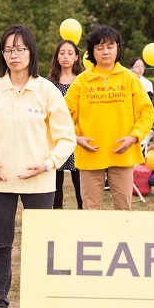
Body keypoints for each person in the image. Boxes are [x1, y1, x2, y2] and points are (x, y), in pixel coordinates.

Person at [0, 24, 77, 308]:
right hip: (0, 181)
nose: (15, 54)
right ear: (3, 54)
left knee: (41, 244)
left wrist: (47, 164)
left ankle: (43, 300)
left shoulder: (47, 90)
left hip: (40, 182)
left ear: (31, 52)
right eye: (9, 49)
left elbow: (67, 137)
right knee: (1, 243)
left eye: (20, 48)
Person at [65, 25, 154, 211]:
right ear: (92, 52)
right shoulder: (80, 81)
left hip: (122, 154)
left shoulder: (130, 79)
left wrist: (133, 137)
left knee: (123, 211)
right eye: (100, 47)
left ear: (118, 48)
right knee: (90, 211)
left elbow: (146, 112)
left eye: (110, 46)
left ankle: (123, 240)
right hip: (90, 154)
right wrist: (76, 137)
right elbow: (62, 115)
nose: (105, 51)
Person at [47, 40, 84, 209]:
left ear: (76, 57)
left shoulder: (83, 81)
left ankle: (83, 212)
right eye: (62, 53)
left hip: (78, 134)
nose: (66, 56)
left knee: (80, 179)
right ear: (57, 57)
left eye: (70, 53)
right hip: (56, 135)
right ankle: (57, 212)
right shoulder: (50, 82)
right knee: (56, 176)